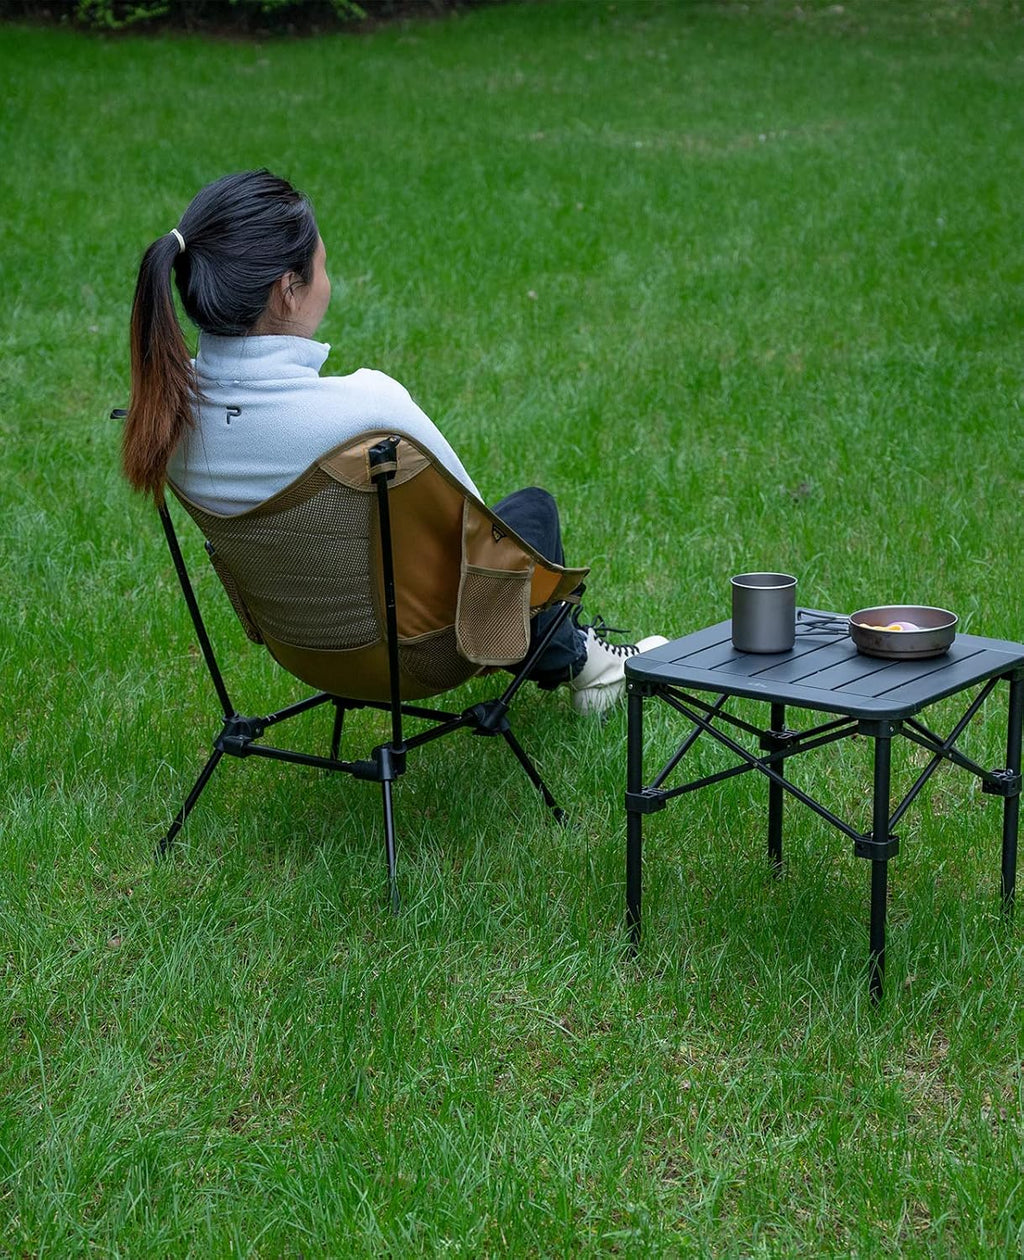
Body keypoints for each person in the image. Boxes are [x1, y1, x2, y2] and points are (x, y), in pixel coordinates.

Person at [122, 169, 665, 714]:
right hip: (420, 656)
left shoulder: (163, 419)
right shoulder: (367, 409)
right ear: (287, 291)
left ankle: (578, 660)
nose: (327, 281)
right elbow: (485, 536)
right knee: (530, 513)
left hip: (302, 652)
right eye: (322, 266)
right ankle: (585, 665)